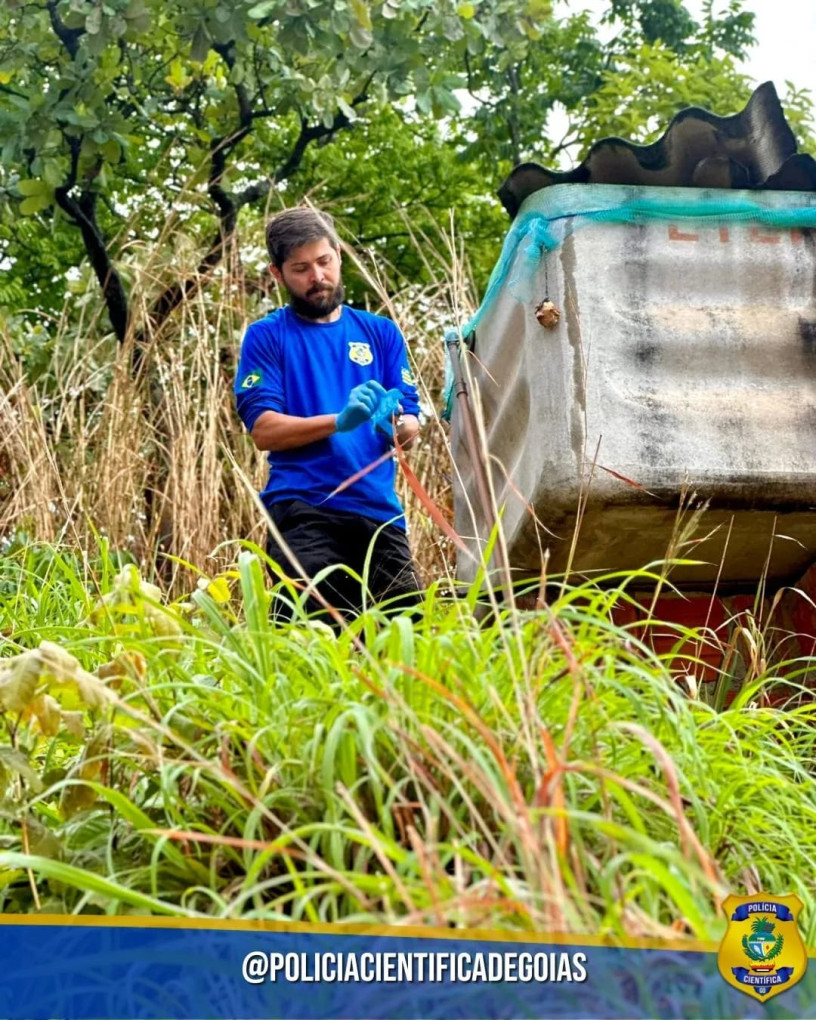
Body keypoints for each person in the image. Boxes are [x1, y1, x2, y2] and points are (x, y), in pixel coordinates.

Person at [234, 207, 422, 623]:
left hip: (379, 512)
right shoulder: (267, 337)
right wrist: (340, 421)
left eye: (324, 262)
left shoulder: (381, 333)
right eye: (301, 268)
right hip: (303, 509)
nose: (317, 277)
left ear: (339, 255)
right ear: (278, 274)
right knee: (318, 636)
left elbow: (410, 425)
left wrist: (396, 425)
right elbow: (264, 430)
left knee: (408, 633)